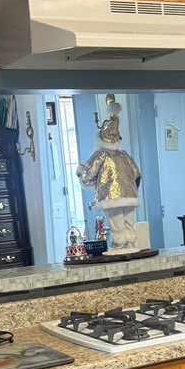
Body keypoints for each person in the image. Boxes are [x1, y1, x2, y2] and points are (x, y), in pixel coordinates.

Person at [76, 97, 142, 254]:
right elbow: (137, 173)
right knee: (129, 219)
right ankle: (131, 243)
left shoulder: (100, 154)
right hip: (130, 194)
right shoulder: (124, 155)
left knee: (115, 220)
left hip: (110, 195)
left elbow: (89, 172)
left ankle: (118, 245)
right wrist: (132, 189)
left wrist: (82, 177)